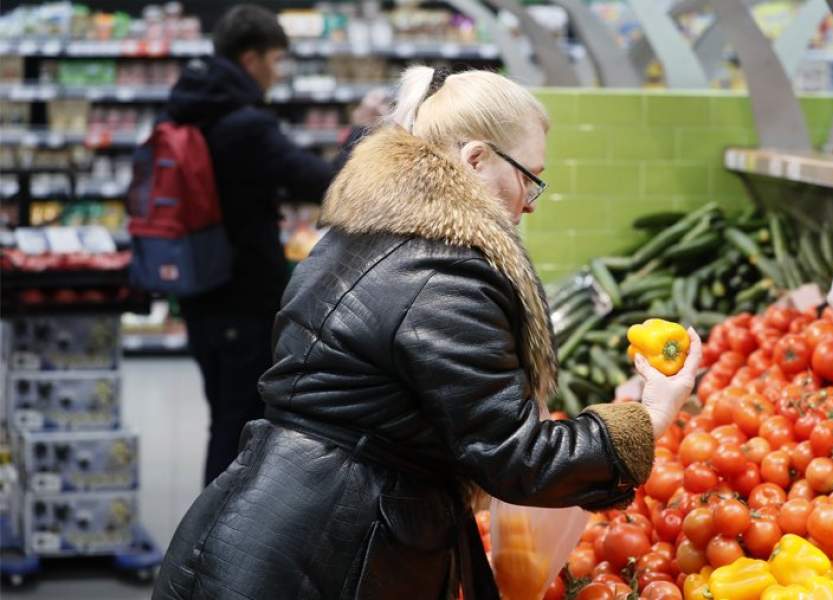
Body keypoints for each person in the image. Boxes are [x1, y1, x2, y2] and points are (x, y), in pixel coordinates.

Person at [153, 66, 702, 600]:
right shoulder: (445, 276)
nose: (531, 200)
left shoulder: (367, 232)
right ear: (476, 159)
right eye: (530, 177)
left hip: (274, 522)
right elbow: (516, 456)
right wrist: (649, 417)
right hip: (327, 551)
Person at [163, 5, 381, 485]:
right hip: (241, 293)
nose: (279, 73)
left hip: (200, 289)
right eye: (276, 60)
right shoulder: (244, 125)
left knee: (223, 411)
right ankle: (217, 538)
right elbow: (328, 185)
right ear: (251, 59)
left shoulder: (189, 108)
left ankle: (215, 531)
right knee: (237, 422)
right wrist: (362, 130)